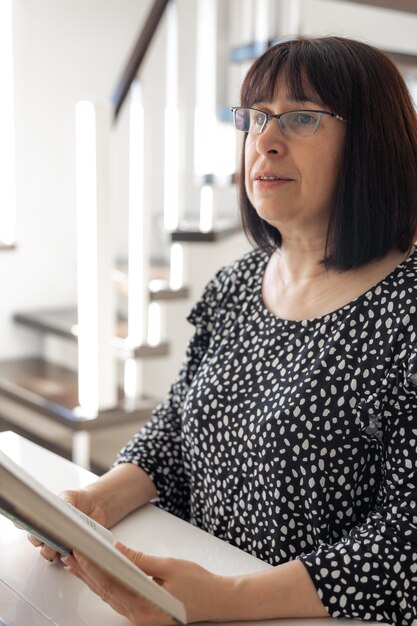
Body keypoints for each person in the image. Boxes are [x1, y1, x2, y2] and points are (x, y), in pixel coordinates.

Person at [30, 36, 417, 625]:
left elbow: (406, 541)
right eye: (257, 117)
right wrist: (92, 503)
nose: (264, 140)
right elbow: (177, 429)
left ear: (372, 144)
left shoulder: (406, 312)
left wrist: (228, 600)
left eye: (302, 117)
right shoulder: (235, 283)